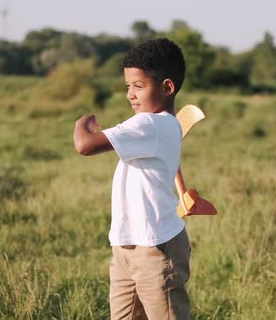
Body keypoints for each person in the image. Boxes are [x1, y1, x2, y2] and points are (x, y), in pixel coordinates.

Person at [73, 37, 190, 320]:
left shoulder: (150, 123)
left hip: (155, 249)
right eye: (128, 87)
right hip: (127, 244)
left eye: (139, 86)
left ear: (167, 87)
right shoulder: (164, 125)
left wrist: (82, 124)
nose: (131, 95)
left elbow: (84, 145)